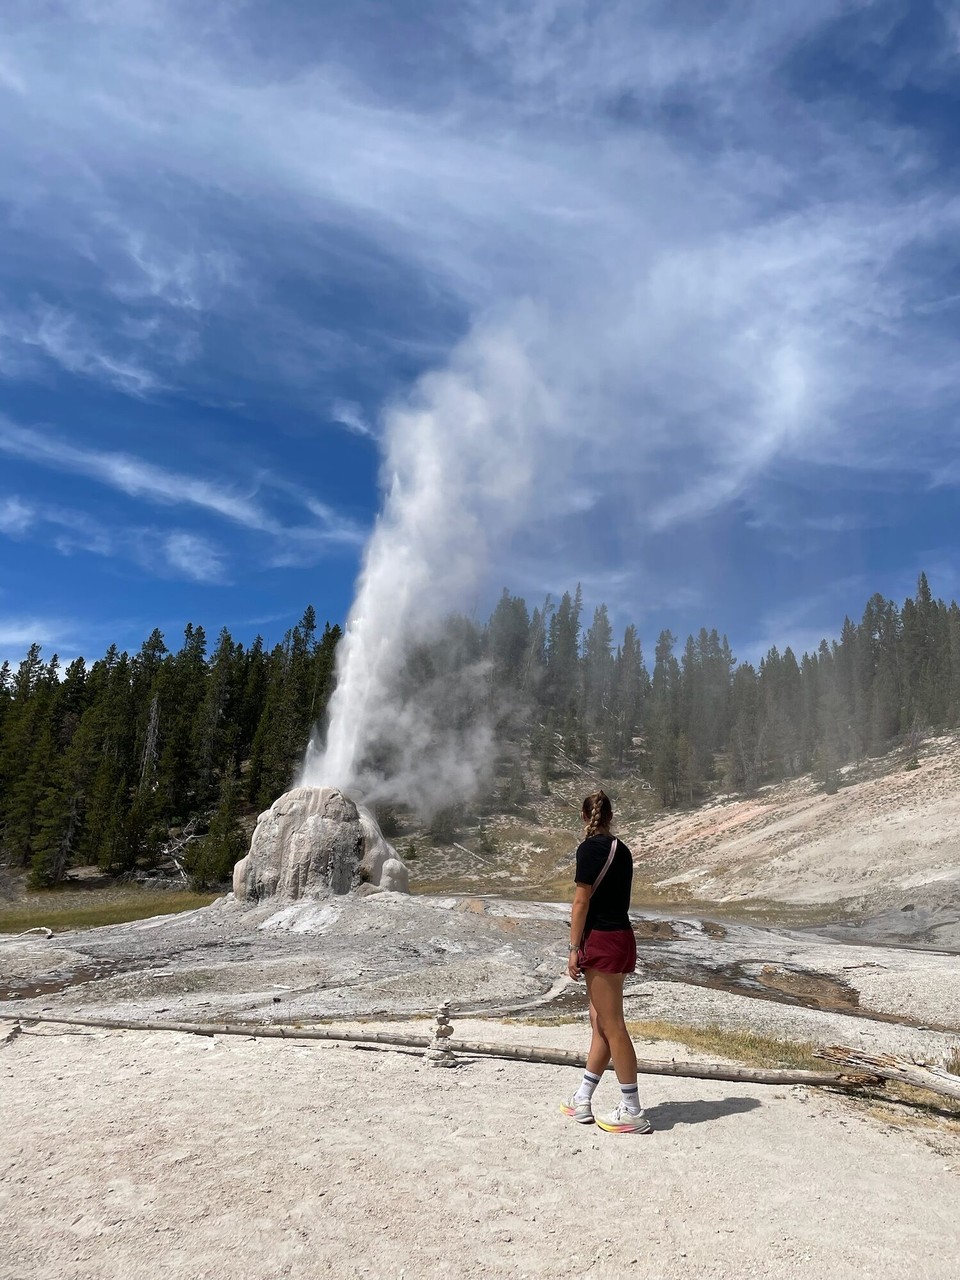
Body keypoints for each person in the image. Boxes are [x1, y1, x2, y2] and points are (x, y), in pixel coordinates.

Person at [560, 789, 652, 1134]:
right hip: (622, 937)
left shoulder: (588, 850)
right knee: (600, 1021)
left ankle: (632, 1109)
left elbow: (581, 902)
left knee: (613, 1025)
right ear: (610, 817)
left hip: (601, 940)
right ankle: (582, 1098)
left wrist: (573, 948)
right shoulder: (622, 850)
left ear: (585, 818)